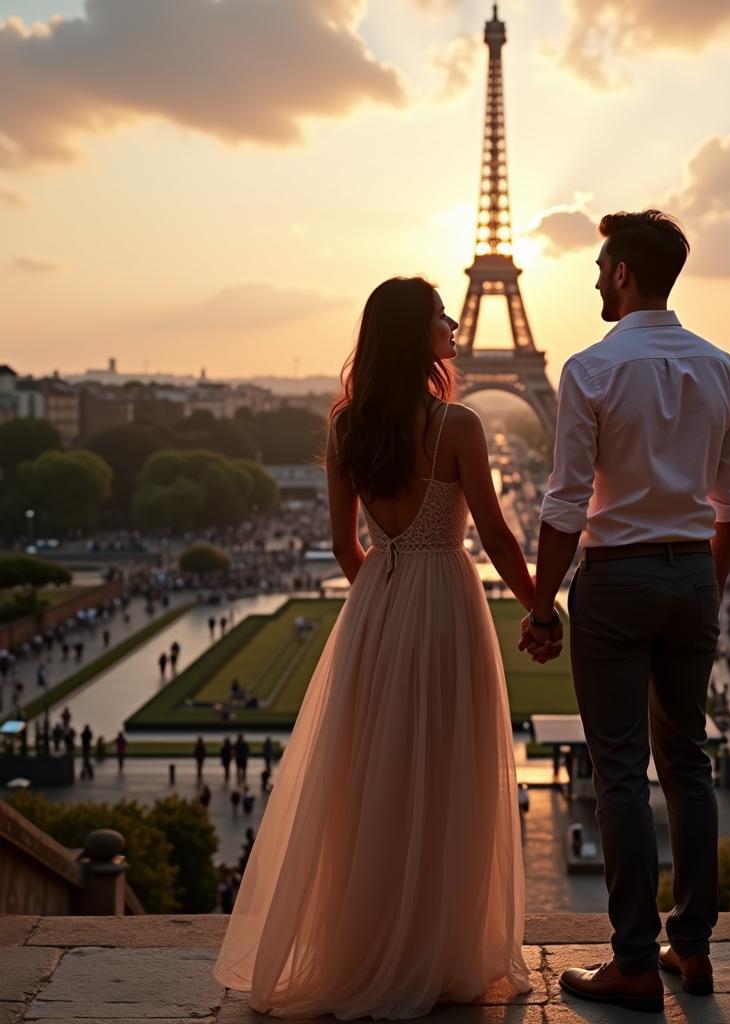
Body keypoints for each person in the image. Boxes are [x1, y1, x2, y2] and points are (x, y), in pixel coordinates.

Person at [213, 276, 533, 1017]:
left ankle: (372, 941)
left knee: (371, 781)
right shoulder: (458, 425)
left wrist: (385, 592)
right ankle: (439, 946)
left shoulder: (345, 425)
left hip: (377, 606)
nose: (454, 325)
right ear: (415, 335)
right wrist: (538, 605)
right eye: (440, 318)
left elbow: (342, 545)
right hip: (448, 604)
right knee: (450, 776)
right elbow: (495, 534)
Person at [520, 210, 730, 1012]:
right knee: (688, 763)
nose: (591, 279)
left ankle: (630, 960)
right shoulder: (725, 368)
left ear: (623, 274)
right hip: (692, 570)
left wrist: (543, 601)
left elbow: (565, 503)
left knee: (619, 771)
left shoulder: (589, 368)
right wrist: (705, 583)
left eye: (598, 265)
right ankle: (691, 947)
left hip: (615, 580)